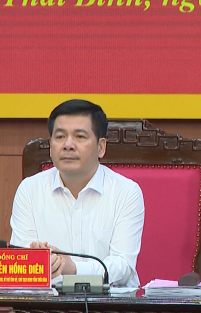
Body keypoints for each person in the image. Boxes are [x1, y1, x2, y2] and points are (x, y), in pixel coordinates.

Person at [10, 99, 145, 288]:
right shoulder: (29, 190)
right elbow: (21, 264)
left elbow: (123, 268)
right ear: (51, 146)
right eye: (60, 137)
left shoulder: (126, 192)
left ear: (101, 147)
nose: (68, 145)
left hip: (110, 304)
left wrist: (73, 269)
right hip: (47, 304)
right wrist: (40, 263)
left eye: (80, 136)